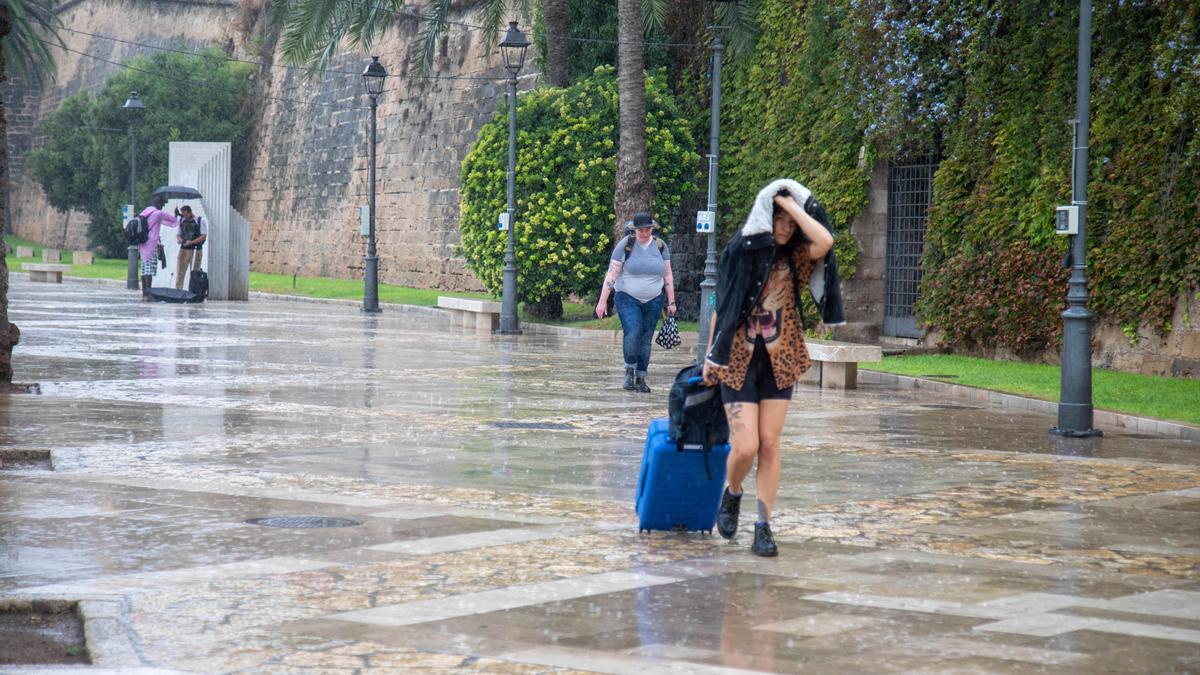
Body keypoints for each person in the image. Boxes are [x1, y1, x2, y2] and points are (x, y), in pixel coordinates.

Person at [701, 179, 839, 557]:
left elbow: (825, 242)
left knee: (770, 445)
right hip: (738, 359)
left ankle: (763, 525)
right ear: (764, 217)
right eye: (778, 219)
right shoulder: (739, 252)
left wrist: (792, 206)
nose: (785, 228)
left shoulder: (794, 257)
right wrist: (711, 356)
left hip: (781, 359)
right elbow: (724, 307)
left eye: (790, 223)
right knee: (744, 447)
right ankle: (733, 494)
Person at [594, 212, 677, 393]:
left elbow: (668, 274)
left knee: (646, 338)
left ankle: (641, 377)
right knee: (633, 331)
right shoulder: (626, 246)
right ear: (634, 230)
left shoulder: (661, 246)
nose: (645, 233)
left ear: (652, 229)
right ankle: (629, 370)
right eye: (641, 230)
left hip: (654, 299)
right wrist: (602, 301)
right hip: (626, 297)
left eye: (648, 229)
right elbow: (612, 274)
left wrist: (671, 302)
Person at [138, 195, 179, 301]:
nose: (163, 206)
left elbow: (165, 223)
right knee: (149, 271)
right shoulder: (158, 213)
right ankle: (149, 294)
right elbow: (172, 220)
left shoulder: (146, 212)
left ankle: (144, 293)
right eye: (162, 204)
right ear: (158, 204)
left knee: (144, 270)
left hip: (142, 244)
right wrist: (176, 214)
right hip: (151, 245)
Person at [174, 205, 207, 290]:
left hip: (196, 249)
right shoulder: (181, 220)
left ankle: (194, 291)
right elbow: (178, 234)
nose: (184, 216)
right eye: (183, 214)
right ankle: (178, 290)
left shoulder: (199, 221)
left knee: (195, 272)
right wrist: (179, 239)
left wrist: (192, 242)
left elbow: (203, 236)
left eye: (185, 214)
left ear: (190, 212)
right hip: (184, 249)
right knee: (180, 272)